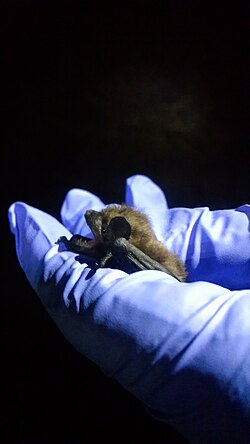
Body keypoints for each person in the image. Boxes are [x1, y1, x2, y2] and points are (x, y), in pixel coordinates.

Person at [8, 174, 250, 443]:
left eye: (101, 230)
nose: (93, 226)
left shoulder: (123, 245)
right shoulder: (116, 239)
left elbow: (123, 248)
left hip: (160, 269)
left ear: (116, 235)